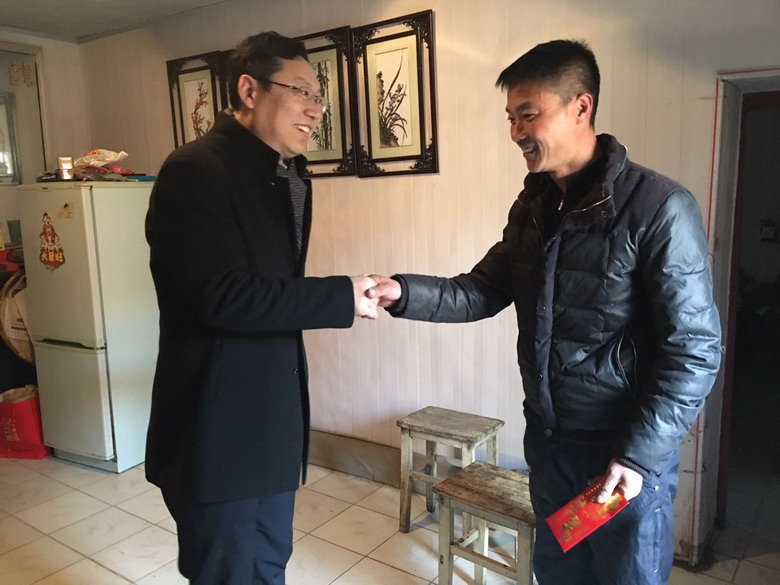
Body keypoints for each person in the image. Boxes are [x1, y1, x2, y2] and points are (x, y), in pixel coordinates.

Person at [368, 39, 722, 585]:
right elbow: (481, 291)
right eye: (510, 118)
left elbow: (694, 350)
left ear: (581, 107)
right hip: (552, 446)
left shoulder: (657, 208)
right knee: (558, 574)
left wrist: (638, 457)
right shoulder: (534, 206)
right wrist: (401, 291)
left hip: (620, 458)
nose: (516, 132)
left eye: (528, 114)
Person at [145, 31, 378, 585]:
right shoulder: (195, 171)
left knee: (267, 562)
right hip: (220, 427)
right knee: (231, 570)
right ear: (249, 91)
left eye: (318, 97)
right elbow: (220, 297)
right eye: (301, 92)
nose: (315, 110)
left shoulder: (286, 174)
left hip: (270, 420)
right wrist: (341, 295)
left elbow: (270, 291)